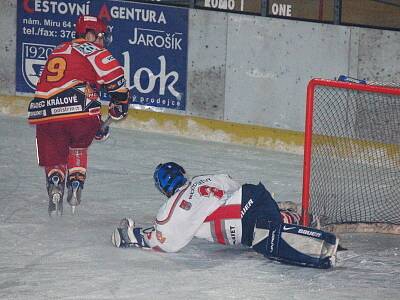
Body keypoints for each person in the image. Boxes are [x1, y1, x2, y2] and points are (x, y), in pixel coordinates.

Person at [111, 162, 339, 269]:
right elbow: (232, 185)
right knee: (261, 226)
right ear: (183, 173)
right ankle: (290, 217)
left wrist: (134, 235)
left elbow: (168, 241)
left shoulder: (172, 207)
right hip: (255, 195)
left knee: (262, 239)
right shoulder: (205, 178)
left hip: (245, 221)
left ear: (162, 188)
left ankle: (292, 226)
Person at [28, 15, 130, 216]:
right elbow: (116, 78)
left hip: (44, 112)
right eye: (100, 36)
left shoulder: (58, 49)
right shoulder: (94, 50)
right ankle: (75, 185)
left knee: (55, 155)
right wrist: (120, 103)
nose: (102, 41)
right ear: (90, 35)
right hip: (81, 111)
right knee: (78, 146)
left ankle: (55, 184)